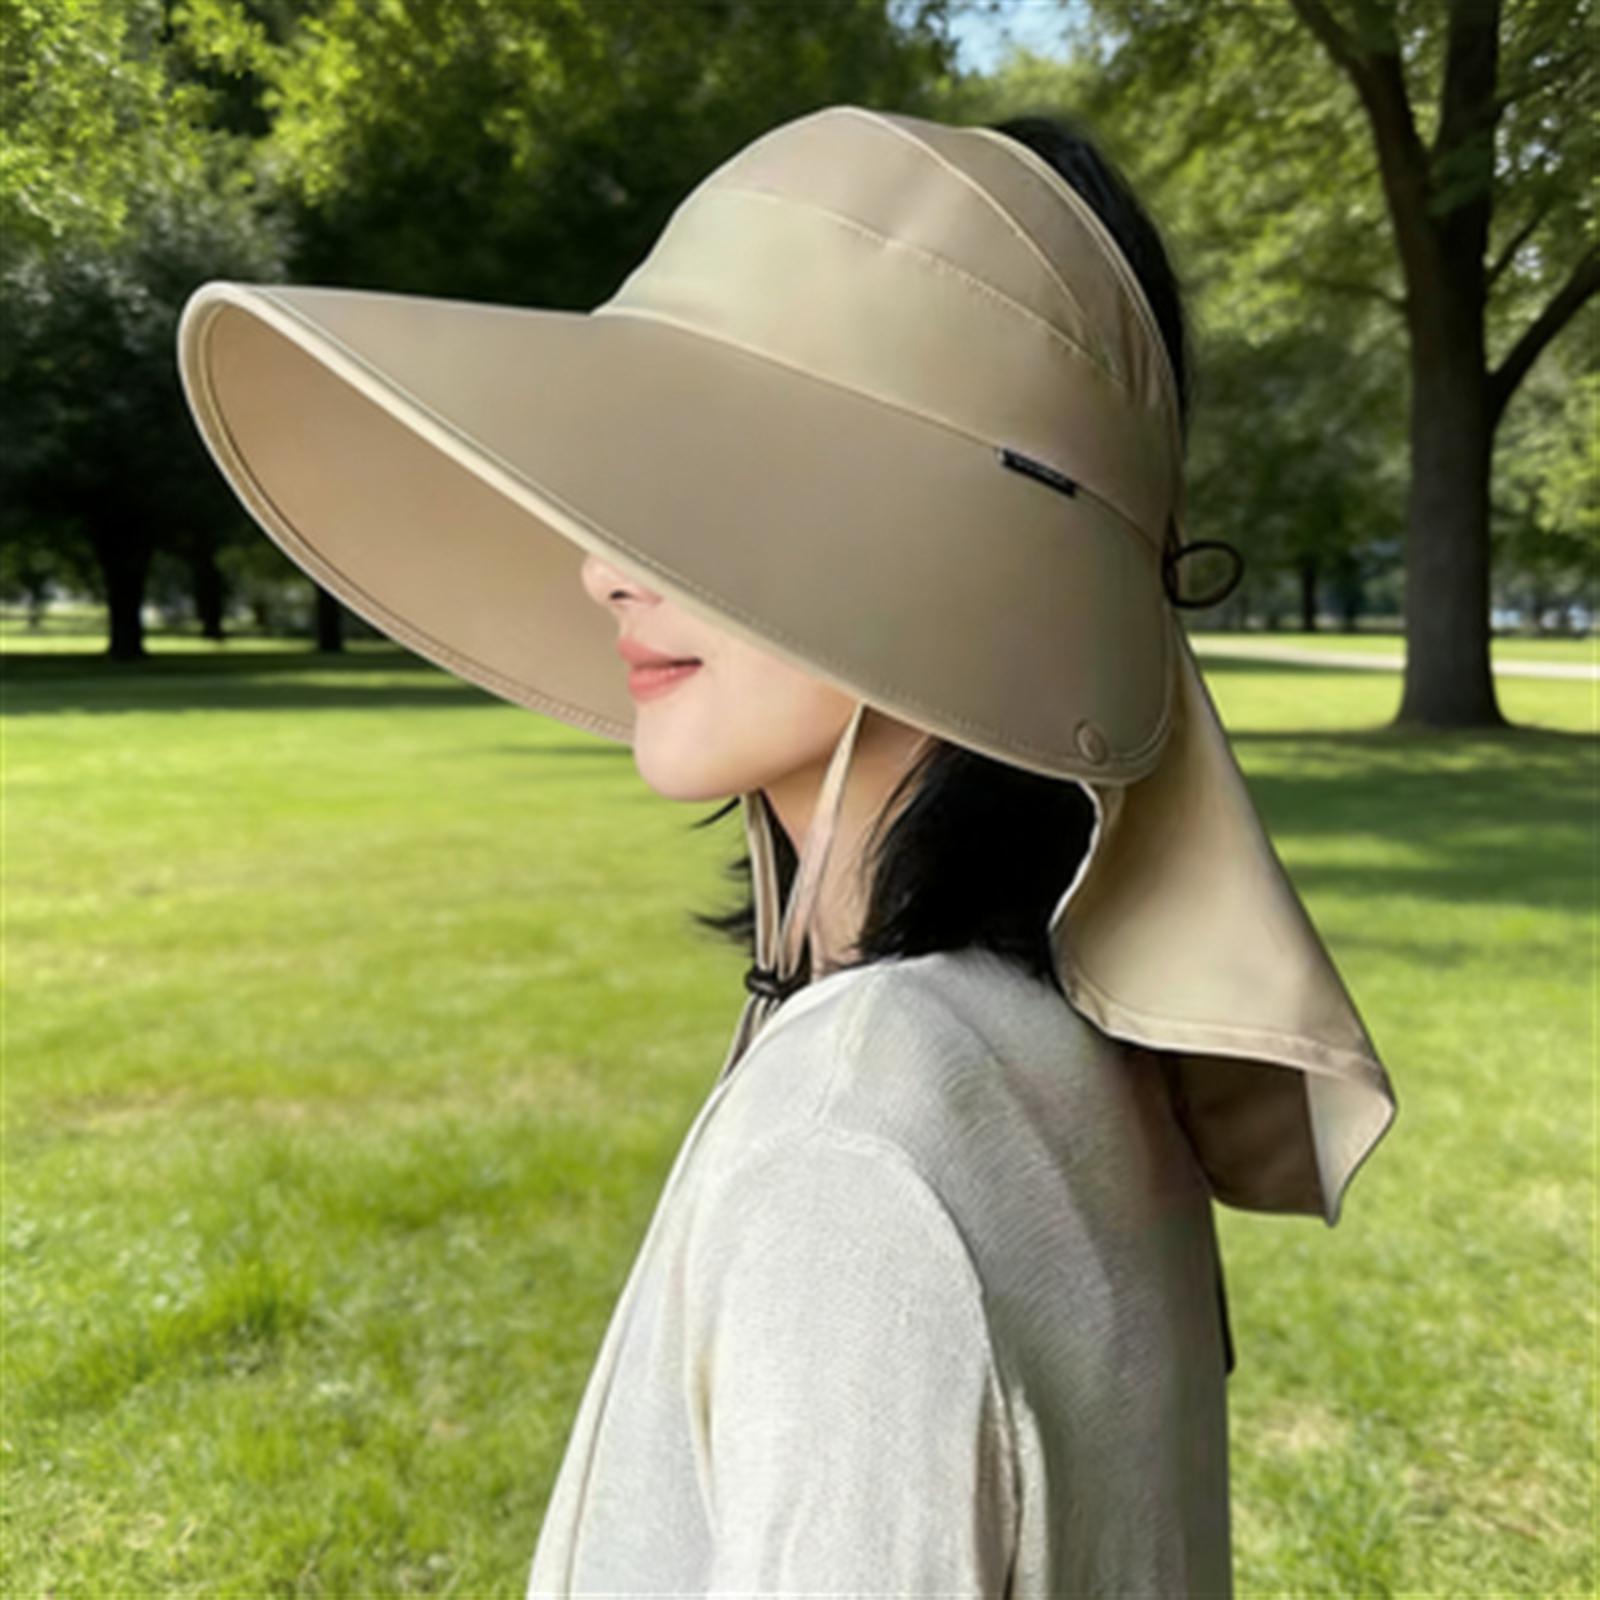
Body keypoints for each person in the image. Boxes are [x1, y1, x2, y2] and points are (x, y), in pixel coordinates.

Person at [174, 102, 1398, 1598]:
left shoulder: (856, 1147)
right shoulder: (1075, 1051)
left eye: (706, 483)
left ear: (950, 552)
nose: (602, 568)